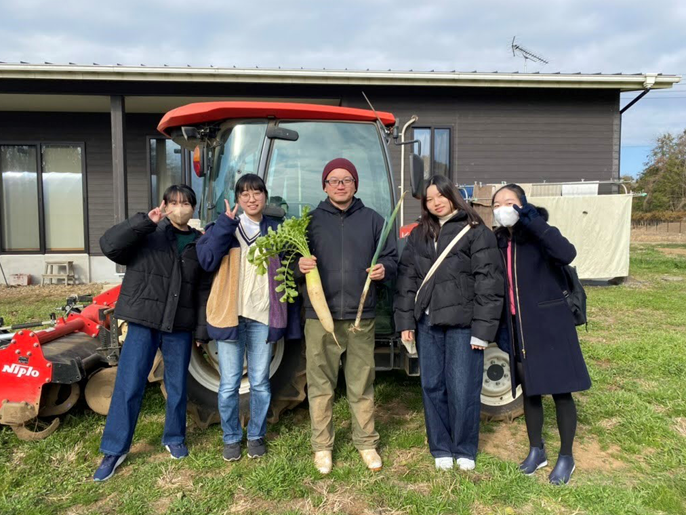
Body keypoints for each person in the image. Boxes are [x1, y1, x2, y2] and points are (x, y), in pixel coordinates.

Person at [94, 184, 211, 482]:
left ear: (193, 209)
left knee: (177, 386)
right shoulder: (148, 234)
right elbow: (109, 246)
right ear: (164, 205)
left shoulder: (199, 244)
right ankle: (115, 449)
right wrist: (145, 221)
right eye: (173, 202)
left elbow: (201, 291)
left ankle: (174, 437)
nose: (180, 207)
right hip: (144, 321)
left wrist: (201, 329)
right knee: (129, 384)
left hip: (179, 325)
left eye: (185, 203)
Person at [394, 175, 504, 472]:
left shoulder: (476, 232)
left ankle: (464, 447)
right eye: (429, 199)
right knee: (432, 385)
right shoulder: (419, 234)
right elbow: (407, 280)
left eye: (440, 196)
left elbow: (489, 284)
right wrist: (405, 320)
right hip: (428, 324)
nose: (436, 202)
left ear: (453, 196)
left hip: (462, 325)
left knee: (463, 387)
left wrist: (483, 331)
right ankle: (440, 446)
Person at [297, 157, 398, 475]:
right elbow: (290, 265)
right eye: (333, 180)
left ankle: (367, 442)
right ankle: (322, 447)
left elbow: (392, 257)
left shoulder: (373, 220)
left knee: (360, 384)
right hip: (319, 316)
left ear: (356, 184)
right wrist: (299, 268)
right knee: (320, 385)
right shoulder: (309, 222)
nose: (340, 185)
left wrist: (385, 269)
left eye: (346, 180)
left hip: (360, 316)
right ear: (324, 185)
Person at [196, 174, 301, 462]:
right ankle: (231, 438)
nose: (251, 198)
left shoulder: (276, 231)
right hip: (231, 316)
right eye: (245, 194)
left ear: (265, 196)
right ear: (238, 199)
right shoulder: (225, 228)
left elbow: (291, 269)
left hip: (262, 315)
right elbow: (206, 260)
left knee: (260, 382)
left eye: (257, 193)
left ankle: (255, 435)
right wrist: (224, 225)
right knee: (229, 382)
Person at [492, 184, 591, 485]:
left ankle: (566, 456)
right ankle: (537, 450)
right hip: (516, 326)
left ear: (524, 206)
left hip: (550, 323)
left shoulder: (539, 234)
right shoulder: (497, 241)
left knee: (561, 390)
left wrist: (534, 222)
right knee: (530, 389)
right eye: (497, 204)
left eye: (510, 202)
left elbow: (567, 253)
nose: (503, 208)